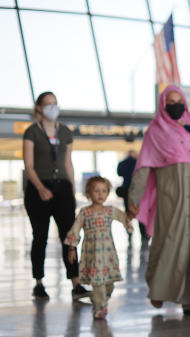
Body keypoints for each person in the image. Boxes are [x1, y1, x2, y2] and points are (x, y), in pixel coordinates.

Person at [127, 85, 190, 317]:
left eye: (178, 100)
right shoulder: (155, 132)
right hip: (171, 195)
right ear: (162, 104)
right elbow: (143, 167)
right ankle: (159, 289)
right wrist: (133, 198)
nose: (175, 105)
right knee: (168, 240)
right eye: (169, 101)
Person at [22, 91, 90, 301]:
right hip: (38, 189)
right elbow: (29, 165)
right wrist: (41, 188)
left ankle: (75, 282)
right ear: (40, 108)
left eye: (55, 103)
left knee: (68, 237)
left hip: (63, 188)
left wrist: (72, 189)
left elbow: (68, 162)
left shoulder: (66, 133)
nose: (53, 107)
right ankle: (39, 283)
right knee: (40, 237)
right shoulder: (32, 132)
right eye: (48, 104)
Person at [65, 176, 132, 319]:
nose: (100, 194)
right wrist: (71, 248)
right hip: (92, 255)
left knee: (110, 284)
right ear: (88, 194)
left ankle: (98, 300)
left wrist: (131, 216)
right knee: (98, 283)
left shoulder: (110, 211)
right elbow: (75, 229)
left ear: (108, 193)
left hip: (108, 255)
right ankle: (100, 307)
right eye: (96, 191)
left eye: (104, 191)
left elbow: (124, 218)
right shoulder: (85, 212)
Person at [116, 150, 148, 240]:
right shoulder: (139, 163)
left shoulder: (122, 163)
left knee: (129, 211)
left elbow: (119, 173)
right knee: (140, 211)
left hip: (127, 189)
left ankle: (129, 232)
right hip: (140, 190)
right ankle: (143, 233)